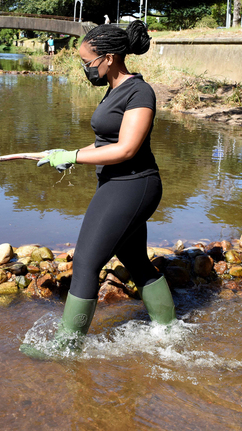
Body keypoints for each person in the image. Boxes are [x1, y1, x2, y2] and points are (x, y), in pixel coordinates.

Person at [20, 20, 175, 358]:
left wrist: (74, 156)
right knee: (135, 260)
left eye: (87, 62)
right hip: (117, 183)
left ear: (108, 58)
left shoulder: (139, 92)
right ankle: (169, 331)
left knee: (87, 263)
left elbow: (127, 149)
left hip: (133, 185)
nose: (85, 69)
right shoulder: (114, 89)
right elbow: (106, 142)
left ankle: (67, 345)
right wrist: (65, 154)